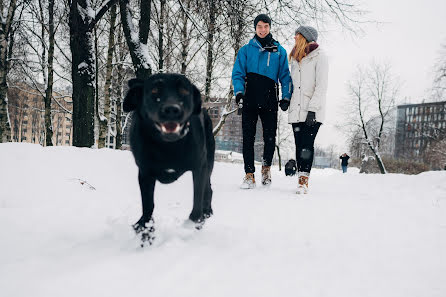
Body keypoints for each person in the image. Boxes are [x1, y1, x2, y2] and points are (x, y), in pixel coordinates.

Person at [232, 14, 292, 189]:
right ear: (255, 28)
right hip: (249, 99)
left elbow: (285, 77)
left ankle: (266, 169)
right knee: (248, 138)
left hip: (269, 100)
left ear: (270, 27)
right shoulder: (245, 50)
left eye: (266, 26)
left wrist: (286, 97)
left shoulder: (279, 51)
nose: (263, 29)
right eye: (259, 26)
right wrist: (239, 92)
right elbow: (238, 74)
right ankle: (249, 174)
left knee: (269, 138)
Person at [285, 25, 328, 194]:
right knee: (298, 145)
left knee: (306, 145)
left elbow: (321, 86)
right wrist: (286, 99)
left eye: (297, 35)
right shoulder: (295, 59)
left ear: (305, 36)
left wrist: (313, 109)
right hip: (296, 110)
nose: (294, 37)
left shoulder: (320, 56)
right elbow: (293, 85)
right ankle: (299, 179)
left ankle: (304, 181)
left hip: (312, 111)